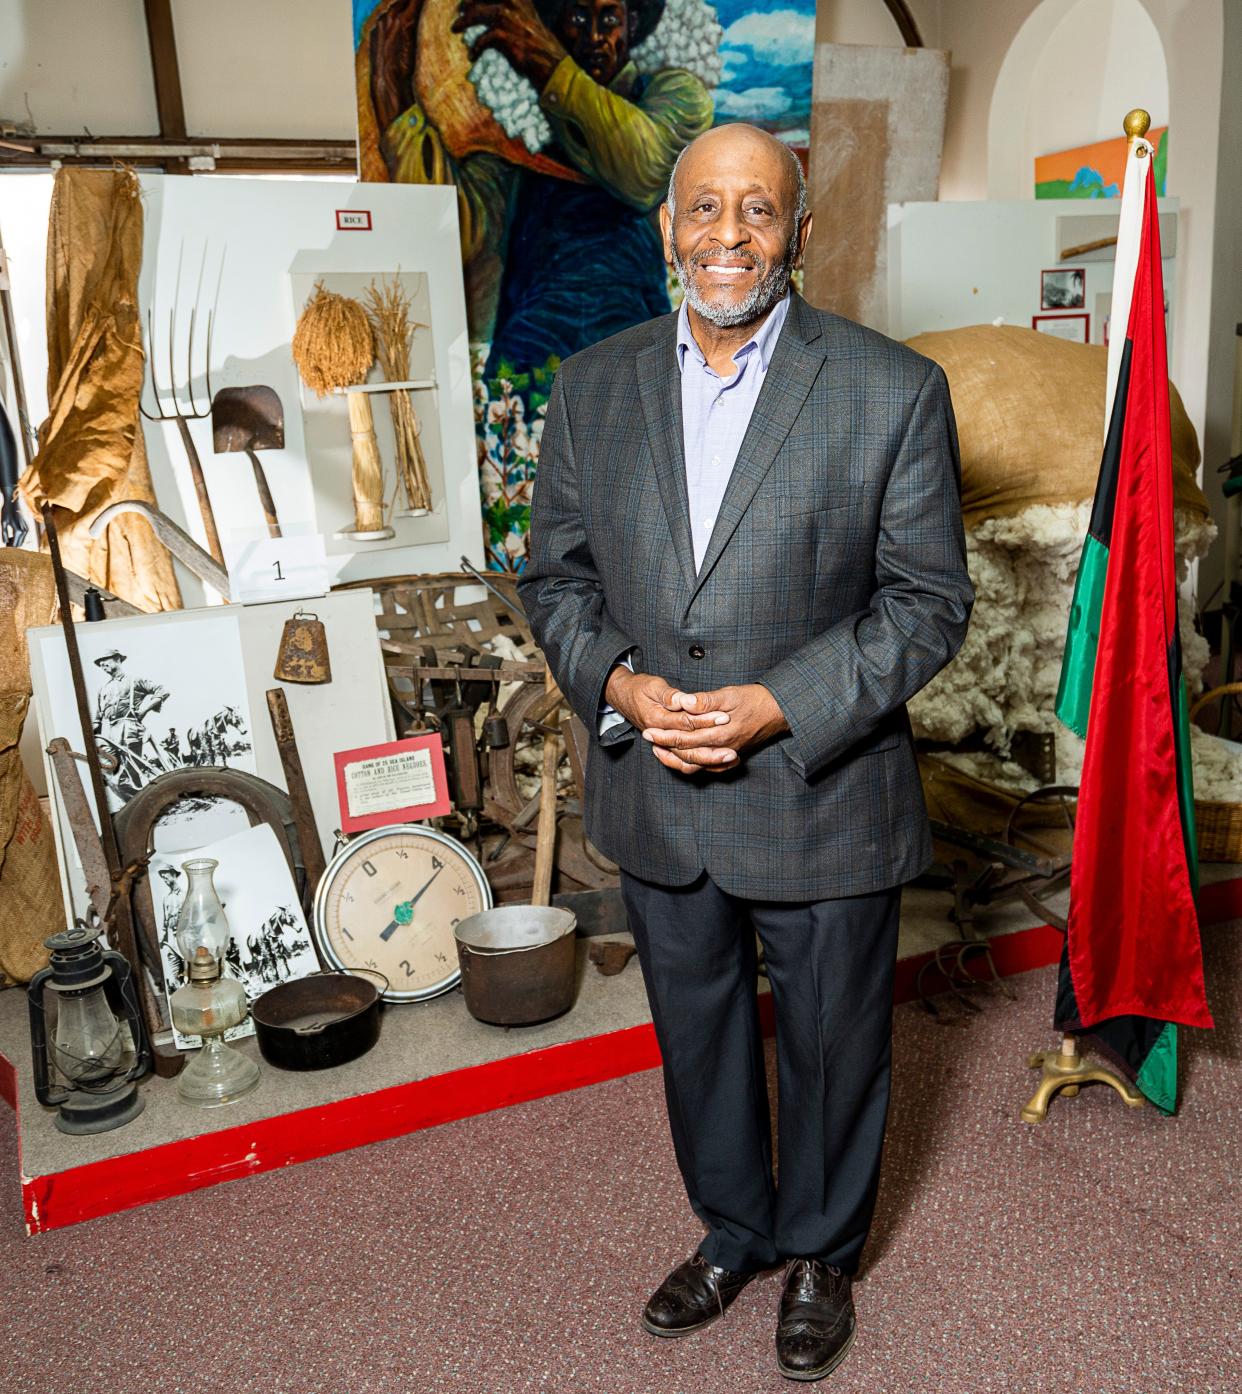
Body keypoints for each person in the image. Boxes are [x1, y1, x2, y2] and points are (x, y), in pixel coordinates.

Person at [518, 123, 973, 1382]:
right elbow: (552, 575)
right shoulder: (591, 385)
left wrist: (782, 701)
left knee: (833, 1038)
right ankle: (736, 1226)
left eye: (758, 212)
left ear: (799, 234)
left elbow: (927, 600)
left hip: (823, 795)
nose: (729, 234)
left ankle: (823, 1249)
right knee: (700, 1032)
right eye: (705, 209)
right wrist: (614, 676)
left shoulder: (890, 389)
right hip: (653, 789)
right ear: (667, 227)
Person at [363, 0, 712, 380]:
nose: (594, 36)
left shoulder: (675, 99)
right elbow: (452, 232)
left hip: (637, 364)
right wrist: (397, 107)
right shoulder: (516, 127)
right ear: (554, 25)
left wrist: (547, 65)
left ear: (630, 24)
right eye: (578, 17)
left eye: (608, 18)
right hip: (529, 364)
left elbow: (644, 172)